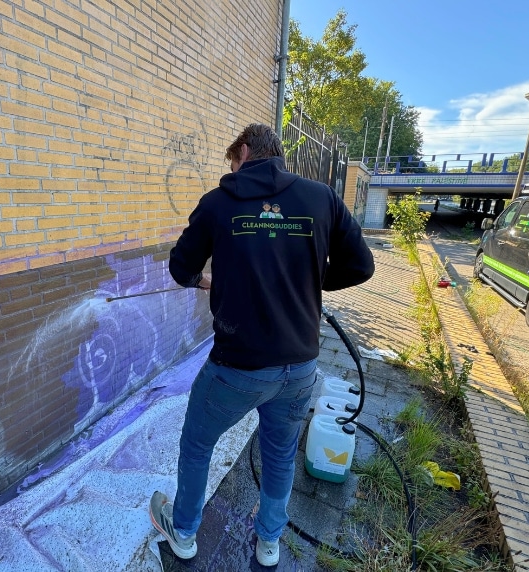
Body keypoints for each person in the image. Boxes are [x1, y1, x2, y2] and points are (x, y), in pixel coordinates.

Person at [149, 123, 375, 567]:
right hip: (300, 368)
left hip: (236, 369)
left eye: (232, 161)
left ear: (244, 151)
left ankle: (184, 534)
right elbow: (362, 266)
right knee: (280, 454)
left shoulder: (218, 202)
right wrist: (312, 281)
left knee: (196, 445)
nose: (232, 171)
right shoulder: (322, 197)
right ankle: (269, 542)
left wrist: (202, 279)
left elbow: (180, 267)